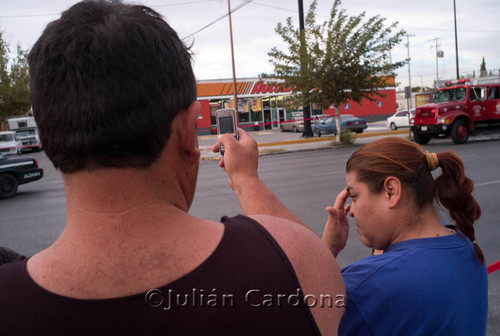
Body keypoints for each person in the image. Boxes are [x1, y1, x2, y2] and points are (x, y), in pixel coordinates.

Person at [0, 1, 345, 335]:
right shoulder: (293, 260)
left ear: (48, 133)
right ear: (187, 130)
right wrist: (245, 178)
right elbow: (310, 268)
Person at [322, 137, 488, 335]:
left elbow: (291, 313)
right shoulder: (465, 243)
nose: (351, 210)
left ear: (391, 191)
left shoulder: (365, 287)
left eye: (354, 196)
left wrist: (325, 251)